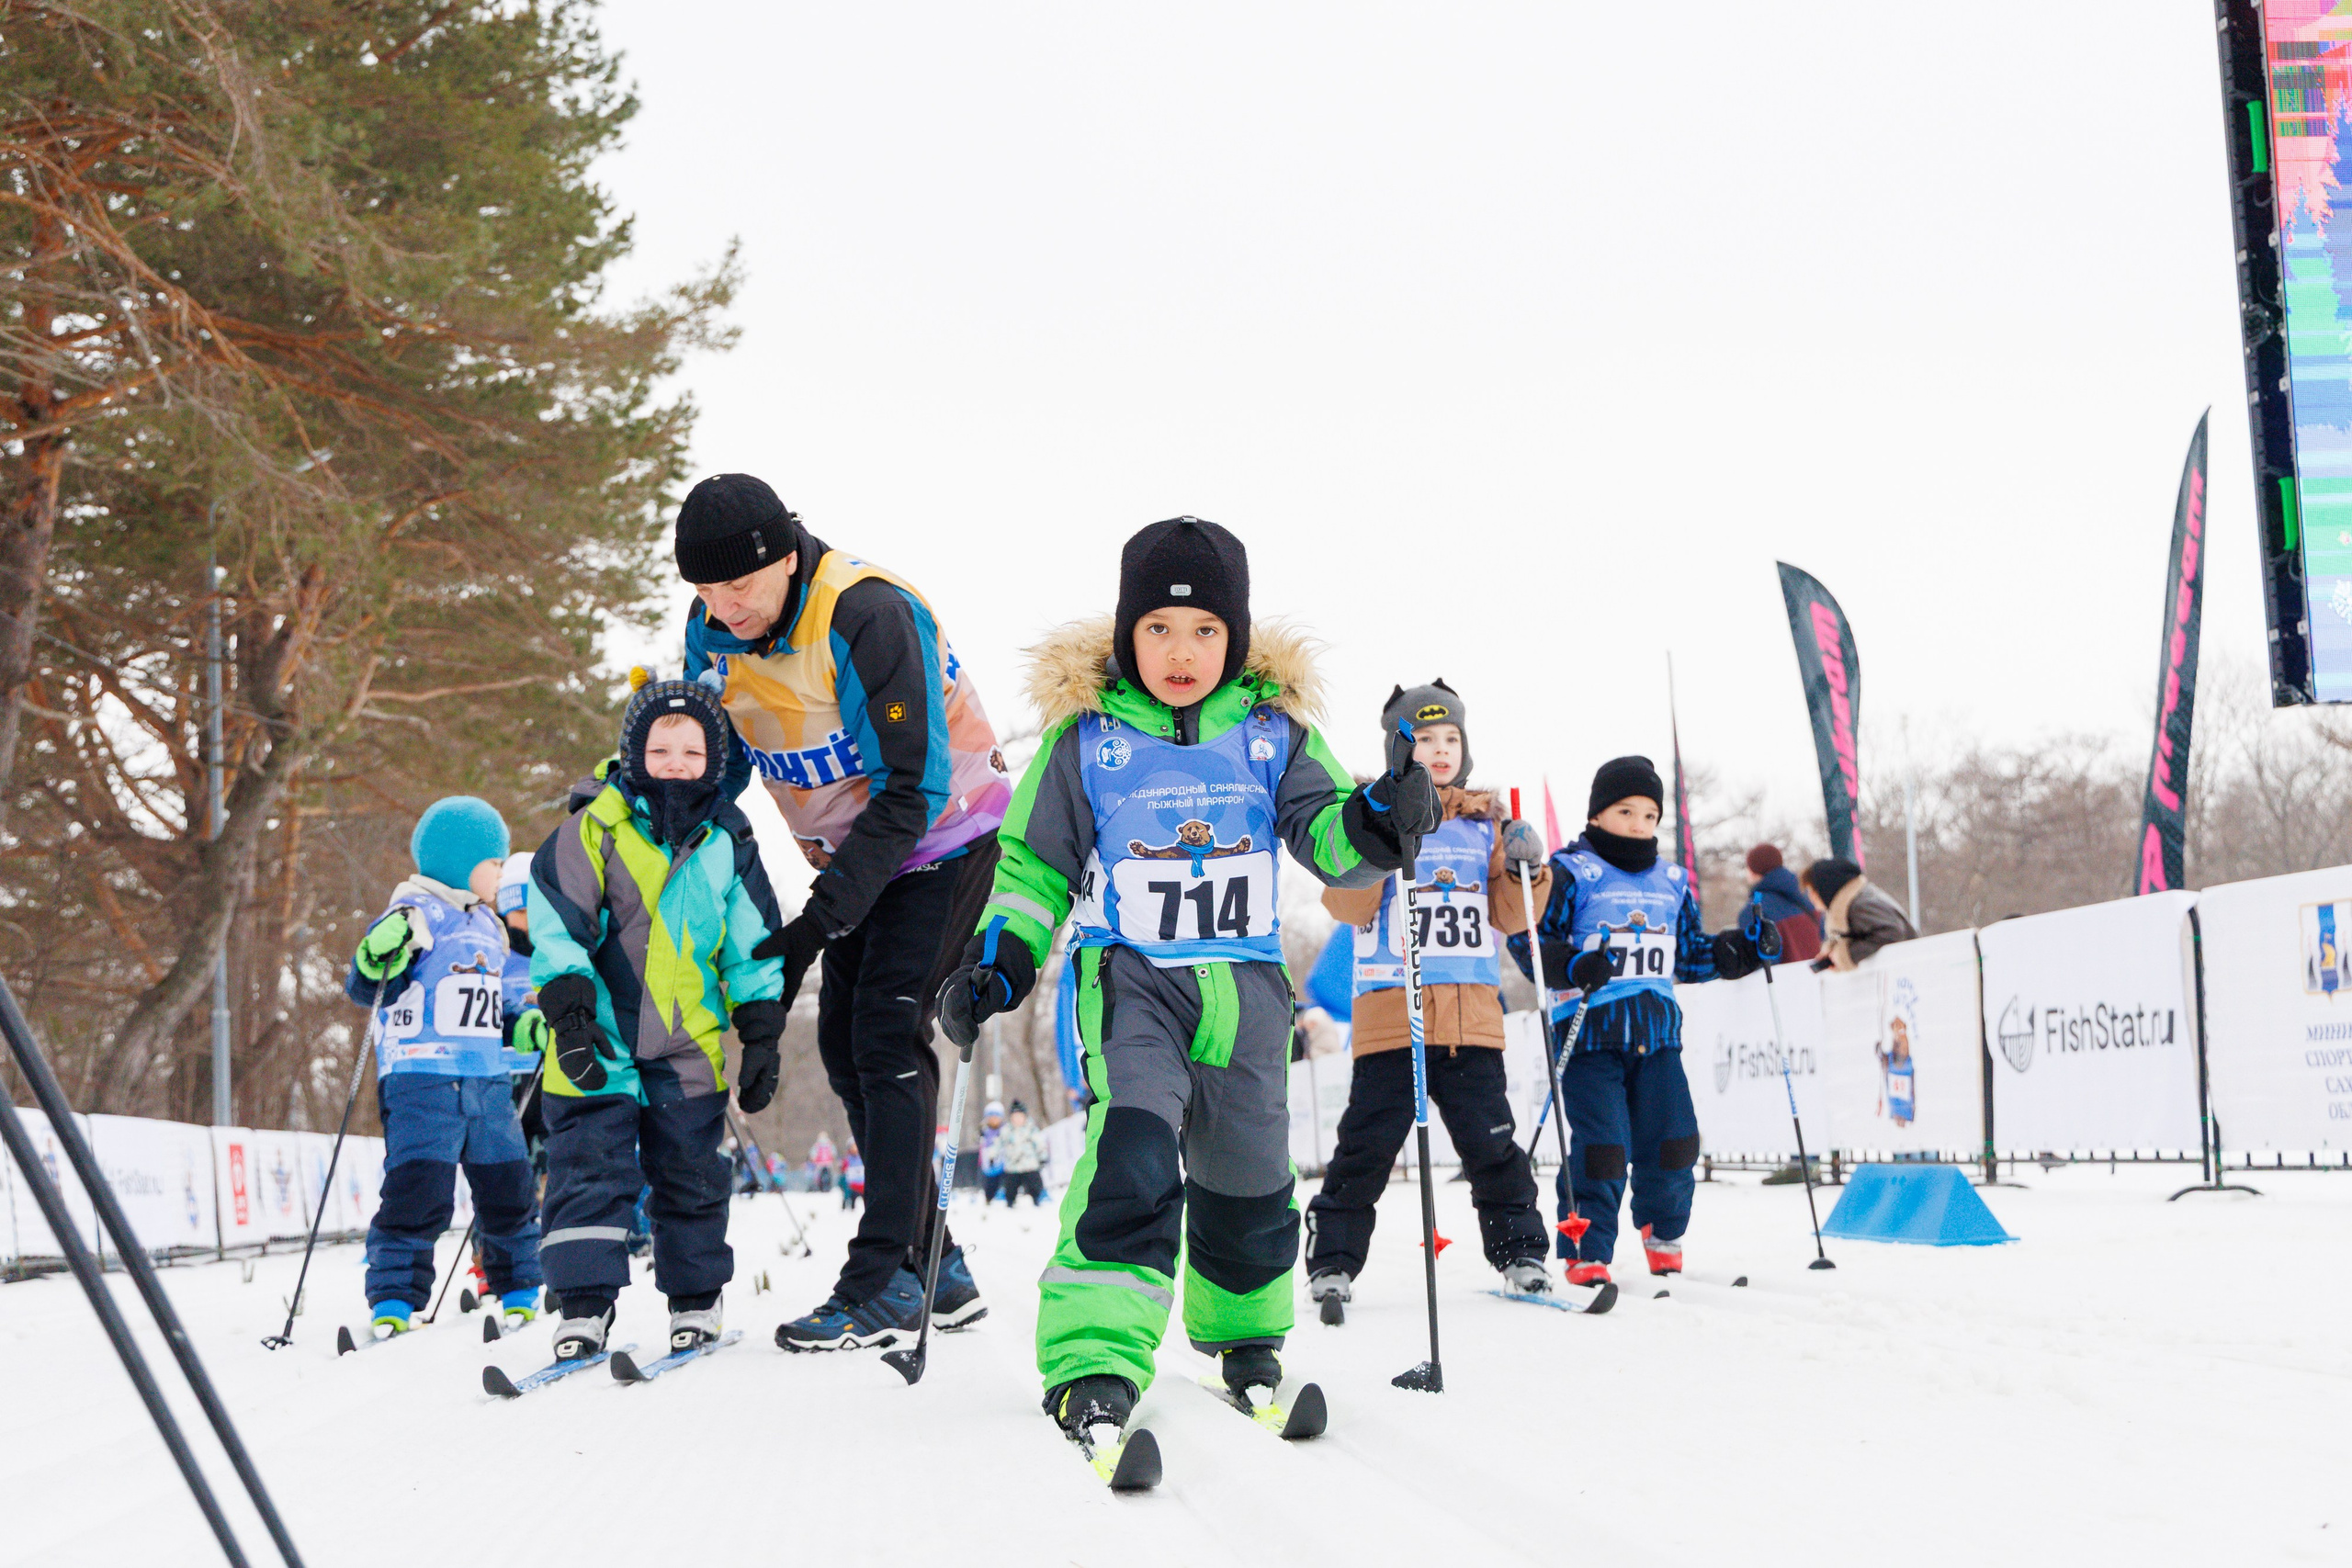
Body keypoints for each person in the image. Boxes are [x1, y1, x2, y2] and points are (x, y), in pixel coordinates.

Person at [934, 515, 1440, 1444]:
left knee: (1248, 1171)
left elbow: (1327, 837)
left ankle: (1244, 1335)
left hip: (1246, 987)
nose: (1181, 651)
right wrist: (1002, 959)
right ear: (1128, 634)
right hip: (1134, 983)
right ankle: (1093, 1355)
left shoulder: (1272, 735)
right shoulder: (1086, 740)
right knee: (1131, 1152)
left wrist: (1376, 823)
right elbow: (1033, 869)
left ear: (1234, 638)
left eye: (1206, 630)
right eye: (1159, 630)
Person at [670, 474, 1007, 1349]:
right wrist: (659, 801)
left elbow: (911, 789)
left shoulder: (864, 612)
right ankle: (937, 1261)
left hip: (945, 837)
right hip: (857, 855)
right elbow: (721, 762)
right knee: (843, 1047)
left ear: (786, 556)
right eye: (703, 589)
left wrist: (810, 931)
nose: (721, 605)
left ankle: (885, 1275)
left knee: (887, 1030)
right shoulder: (713, 633)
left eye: (737, 585)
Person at [526, 671, 790, 1359]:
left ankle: (696, 1298)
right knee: (588, 1170)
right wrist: (571, 1019)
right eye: (662, 750)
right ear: (634, 752)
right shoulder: (591, 830)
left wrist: (761, 1032)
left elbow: (752, 943)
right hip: (597, 1042)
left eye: (693, 753)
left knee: (692, 1174)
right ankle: (582, 1306)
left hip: (686, 1049)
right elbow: (558, 926)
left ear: (715, 763)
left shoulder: (728, 840)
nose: (676, 765)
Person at [1304, 680, 1552, 1311]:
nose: (1439, 751)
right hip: (1394, 1017)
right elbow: (1345, 900)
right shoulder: (1371, 813)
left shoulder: (1482, 824)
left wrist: (1530, 868)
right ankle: (1332, 1259)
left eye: (1451, 739)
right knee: (1365, 1149)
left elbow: (1509, 913)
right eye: (1423, 740)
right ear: (1399, 748)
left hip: (1472, 1021)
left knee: (1493, 1146)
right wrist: (1380, 836)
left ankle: (1521, 1252)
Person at [1517, 758, 1771, 1288]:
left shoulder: (1673, 880)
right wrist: (1571, 962)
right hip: (1590, 1035)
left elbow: (1692, 954)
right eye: (1625, 811)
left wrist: (1739, 950)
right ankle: (1587, 1246)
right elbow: (1528, 940)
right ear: (1598, 814)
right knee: (1604, 1148)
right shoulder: (1570, 871)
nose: (1638, 824)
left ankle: (1664, 1232)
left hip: (1657, 1035)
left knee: (1674, 1140)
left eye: (1650, 814)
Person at [346, 797, 544, 1337]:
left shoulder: (491, 926)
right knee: (419, 1190)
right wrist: (373, 958)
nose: (501, 873)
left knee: (508, 1186)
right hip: (421, 1079)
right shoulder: (415, 913)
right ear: (463, 862)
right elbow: (366, 987)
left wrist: (521, 1024)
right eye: (494, 862)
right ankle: (393, 1297)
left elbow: (497, 1002)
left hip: (486, 1082)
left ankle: (520, 1286)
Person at [1800, 857, 1917, 971]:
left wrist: (1846, 955)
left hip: (1907, 969)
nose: (1811, 897)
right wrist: (1834, 951)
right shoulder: (1853, 904)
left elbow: (1892, 932)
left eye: (1812, 891)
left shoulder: (1860, 905)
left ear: (1826, 888)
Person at [1743, 843, 1822, 964]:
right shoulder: (1809, 898)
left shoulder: (1755, 910)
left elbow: (1762, 965)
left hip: (1787, 982)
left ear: (1754, 870)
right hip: (1818, 979)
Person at [996, 1100, 1047, 1206]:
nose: (1018, 1119)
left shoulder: (1031, 1129)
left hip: (1029, 1164)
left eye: (1020, 1116)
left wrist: (1043, 1156)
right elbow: (998, 1143)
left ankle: (1037, 1199)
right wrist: (993, 1155)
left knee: (1034, 1184)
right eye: (1015, 1117)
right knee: (1010, 1186)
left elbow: (1039, 1143)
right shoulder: (1007, 1130)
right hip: (1012, 1165)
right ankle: (1010, 1201)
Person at [978, 1101, 1007, 1202]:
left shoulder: (1005, 1130)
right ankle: (989, 1198)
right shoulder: (984, 1130)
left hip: (1003, 1160)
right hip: (988, 1161)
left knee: (1005, 1180)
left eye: (996, 1117)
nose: (993, 1120)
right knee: (990, 1182)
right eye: (991, 1117)